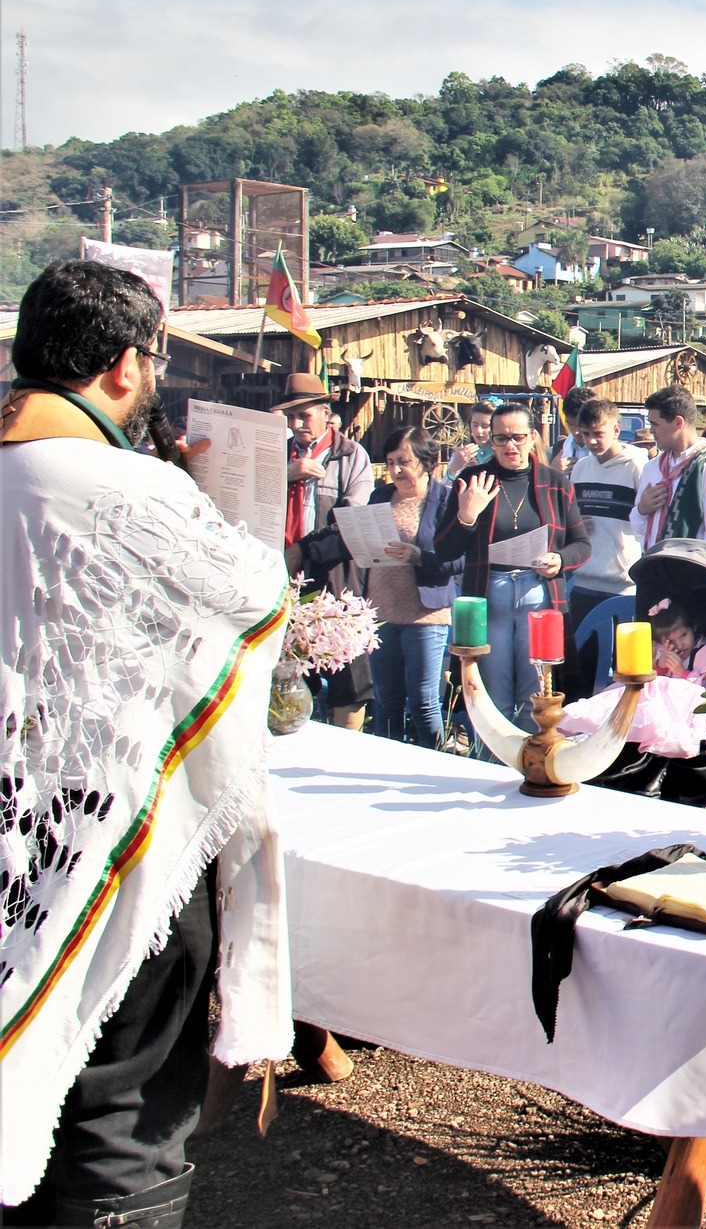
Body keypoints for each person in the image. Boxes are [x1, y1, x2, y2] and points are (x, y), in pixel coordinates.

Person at [1, 260, 291, 1227]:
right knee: (113, 1123)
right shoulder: (125, 485)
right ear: (128, 365)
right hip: (102, 839)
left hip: (18, 820)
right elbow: (253, 600)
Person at [434, 403, 590, 729]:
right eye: (501, 438)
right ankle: (491, 767)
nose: (510, 446)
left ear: (533, 437)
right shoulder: (473, 479)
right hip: (490, 593)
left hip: (539, 592)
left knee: (535, 695)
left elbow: (582, 545)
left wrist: (560, 560)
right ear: (490, 441)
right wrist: (466, 516)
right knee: (492, 696)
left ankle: (532, 767)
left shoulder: (555, 482)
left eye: (518, 437)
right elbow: (444, 549)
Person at [275, 374, 374, 728]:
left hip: (335, 576)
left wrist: (304, 549)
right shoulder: (276, 452)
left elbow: (354, 521)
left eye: (305, 415)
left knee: (348, 675)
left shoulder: (350, 455)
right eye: (292, 417)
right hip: (282, 575)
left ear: (325, 412)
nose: (298, 424)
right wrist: (286, 473)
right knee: (287, 670)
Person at [361, 427, 461, 745]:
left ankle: (431, 768)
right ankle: (385, 765)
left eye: (403, 461)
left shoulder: (445, 499)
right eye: (390, 463)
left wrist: (420, 557)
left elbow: (460, 559)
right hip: (382, 611)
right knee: (386, 700)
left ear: (426, 461)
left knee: (423, 702)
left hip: (424, 615)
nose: (395, 471)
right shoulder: (379, 496)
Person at [565, 398, 648, 698]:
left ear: (616, 428)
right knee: (583, 668)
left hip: (624, 586)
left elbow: (647, 519)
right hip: (585, 581)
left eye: (597, 433)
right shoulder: (580, 469)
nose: (591, 441)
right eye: (585, 434)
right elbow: (569, 516)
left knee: (621, 673)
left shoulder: (639, 466)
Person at [634, 385, 706, 552]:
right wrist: (642, 509)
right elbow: (638, 529)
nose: (651, 431)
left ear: (678, 423)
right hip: (653, 569)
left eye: (655, 424)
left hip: (689, 571)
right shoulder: (653, 468)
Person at [553, 386, 597, 471]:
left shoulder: (606, 450)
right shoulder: (558, 449)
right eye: (570, 424)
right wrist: (553, 473)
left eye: (579, 425)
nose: (575, 432)